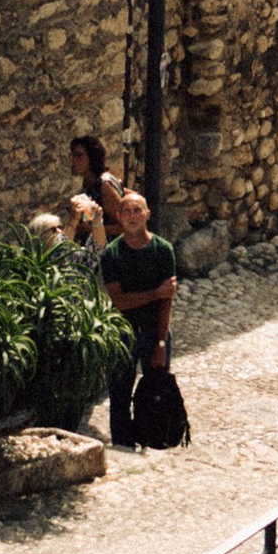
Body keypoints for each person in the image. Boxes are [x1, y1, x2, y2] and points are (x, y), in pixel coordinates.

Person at [99, 185, 178, 443]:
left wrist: (161, 341)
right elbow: (119, 301)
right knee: (120, 396)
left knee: (155, 391)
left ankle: (152, 438)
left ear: (147, 214)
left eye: (137, 211)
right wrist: (156, 293)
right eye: (126, 212)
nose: (132, 216)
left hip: (153, 331)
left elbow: (167, 301)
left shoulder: (163, 250)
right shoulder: (112, 253)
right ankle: (123, 446)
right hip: (122, 335)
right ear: (119, 217)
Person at [68, 132, 127, 247]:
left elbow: (124, 225)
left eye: (79, 156)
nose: (74, 161)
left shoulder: (104, 185)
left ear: (92, 157)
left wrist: (92, 228)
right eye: (72, 156)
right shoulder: (89, 182)